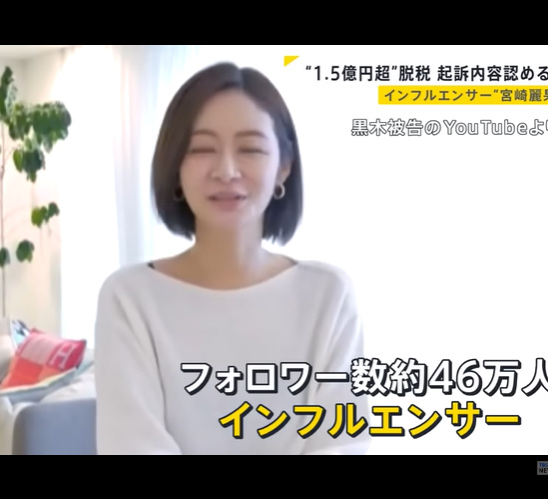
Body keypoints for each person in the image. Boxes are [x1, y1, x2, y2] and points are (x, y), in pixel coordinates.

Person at [95, 61, 370, 455]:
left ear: (283, 168)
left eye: (251, 149)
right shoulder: (130, 298)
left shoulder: (329, 296)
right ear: (175, 165)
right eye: (202, 149)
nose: (226, 171)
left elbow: (342, 442)